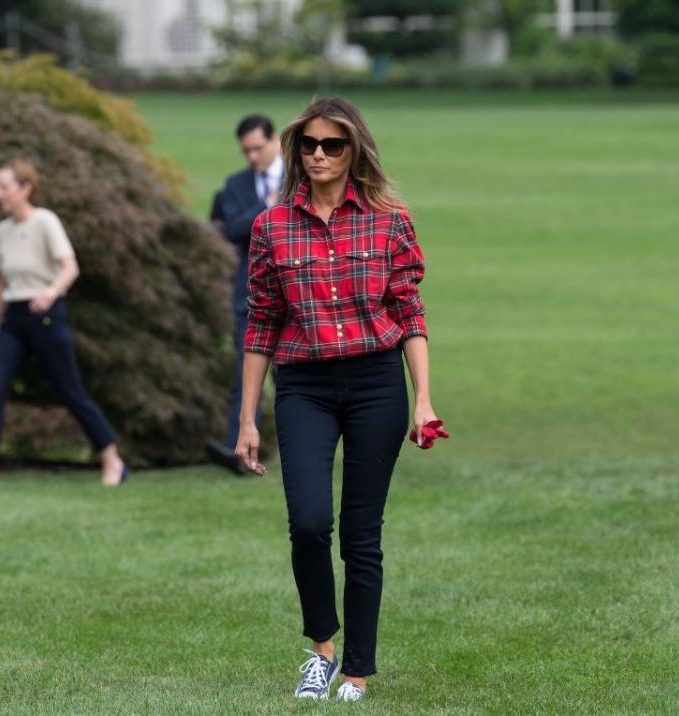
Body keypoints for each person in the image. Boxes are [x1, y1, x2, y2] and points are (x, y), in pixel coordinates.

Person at [235, 98, 440, 701]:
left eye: (333, 145)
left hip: (377, 381)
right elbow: (261, 324)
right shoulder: (271, 227)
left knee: (360, 533)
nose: (319, 154)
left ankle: (356, 671)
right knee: (307, 522)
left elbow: (409, 313)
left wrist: (424, 399)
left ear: (356, 151)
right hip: (304, 386)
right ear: (295, 150)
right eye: (309, 144)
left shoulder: (389, 220)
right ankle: (320, 651)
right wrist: (248, 420)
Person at [0, 160, 129, 487]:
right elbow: (1, 283)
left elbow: (70, 267)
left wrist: (51, 292)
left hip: (47, 316)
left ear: (26, 189)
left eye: (4, 188)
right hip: (13, 318)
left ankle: (112, 459)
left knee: (70, 390)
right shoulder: (2, 230)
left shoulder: (45, 222)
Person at [206, 114, 283, 475]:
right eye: (246, 151)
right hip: (248, 296)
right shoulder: (236, 185)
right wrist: (270, 202)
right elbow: (233, 229)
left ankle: (300, 447)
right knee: (245, 375)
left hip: (294, 295)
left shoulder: (303, 176)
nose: (252, 157)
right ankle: (235, 450)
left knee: (289, 378)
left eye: (258, 148)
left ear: (276, 141)